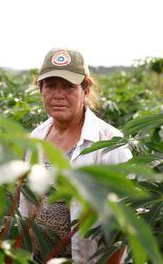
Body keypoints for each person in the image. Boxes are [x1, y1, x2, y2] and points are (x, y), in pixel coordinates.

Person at [19, 48, 132, 263]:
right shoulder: (36, 137)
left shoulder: (108, 142)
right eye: (50, 86)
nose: (58, 95)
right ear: (40, 89)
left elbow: (121, 226)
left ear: (85, 90)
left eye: (69, 86)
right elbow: (26, 205)